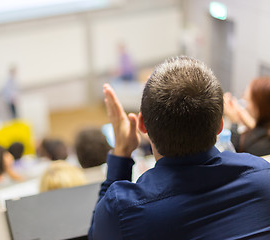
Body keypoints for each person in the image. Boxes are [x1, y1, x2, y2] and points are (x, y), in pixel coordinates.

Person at [89, 56, 270, 239]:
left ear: (142, 125)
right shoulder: (263, 177)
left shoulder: (122, 210)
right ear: (220, 125)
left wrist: (121, 153)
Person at [224, 76, 270, 156]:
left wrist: (234, 122)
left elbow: (233, 155)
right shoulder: (265, 128)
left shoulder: (261, 146)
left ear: (261, 106)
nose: (246, 105)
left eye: (248, 101)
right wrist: (242, 114)